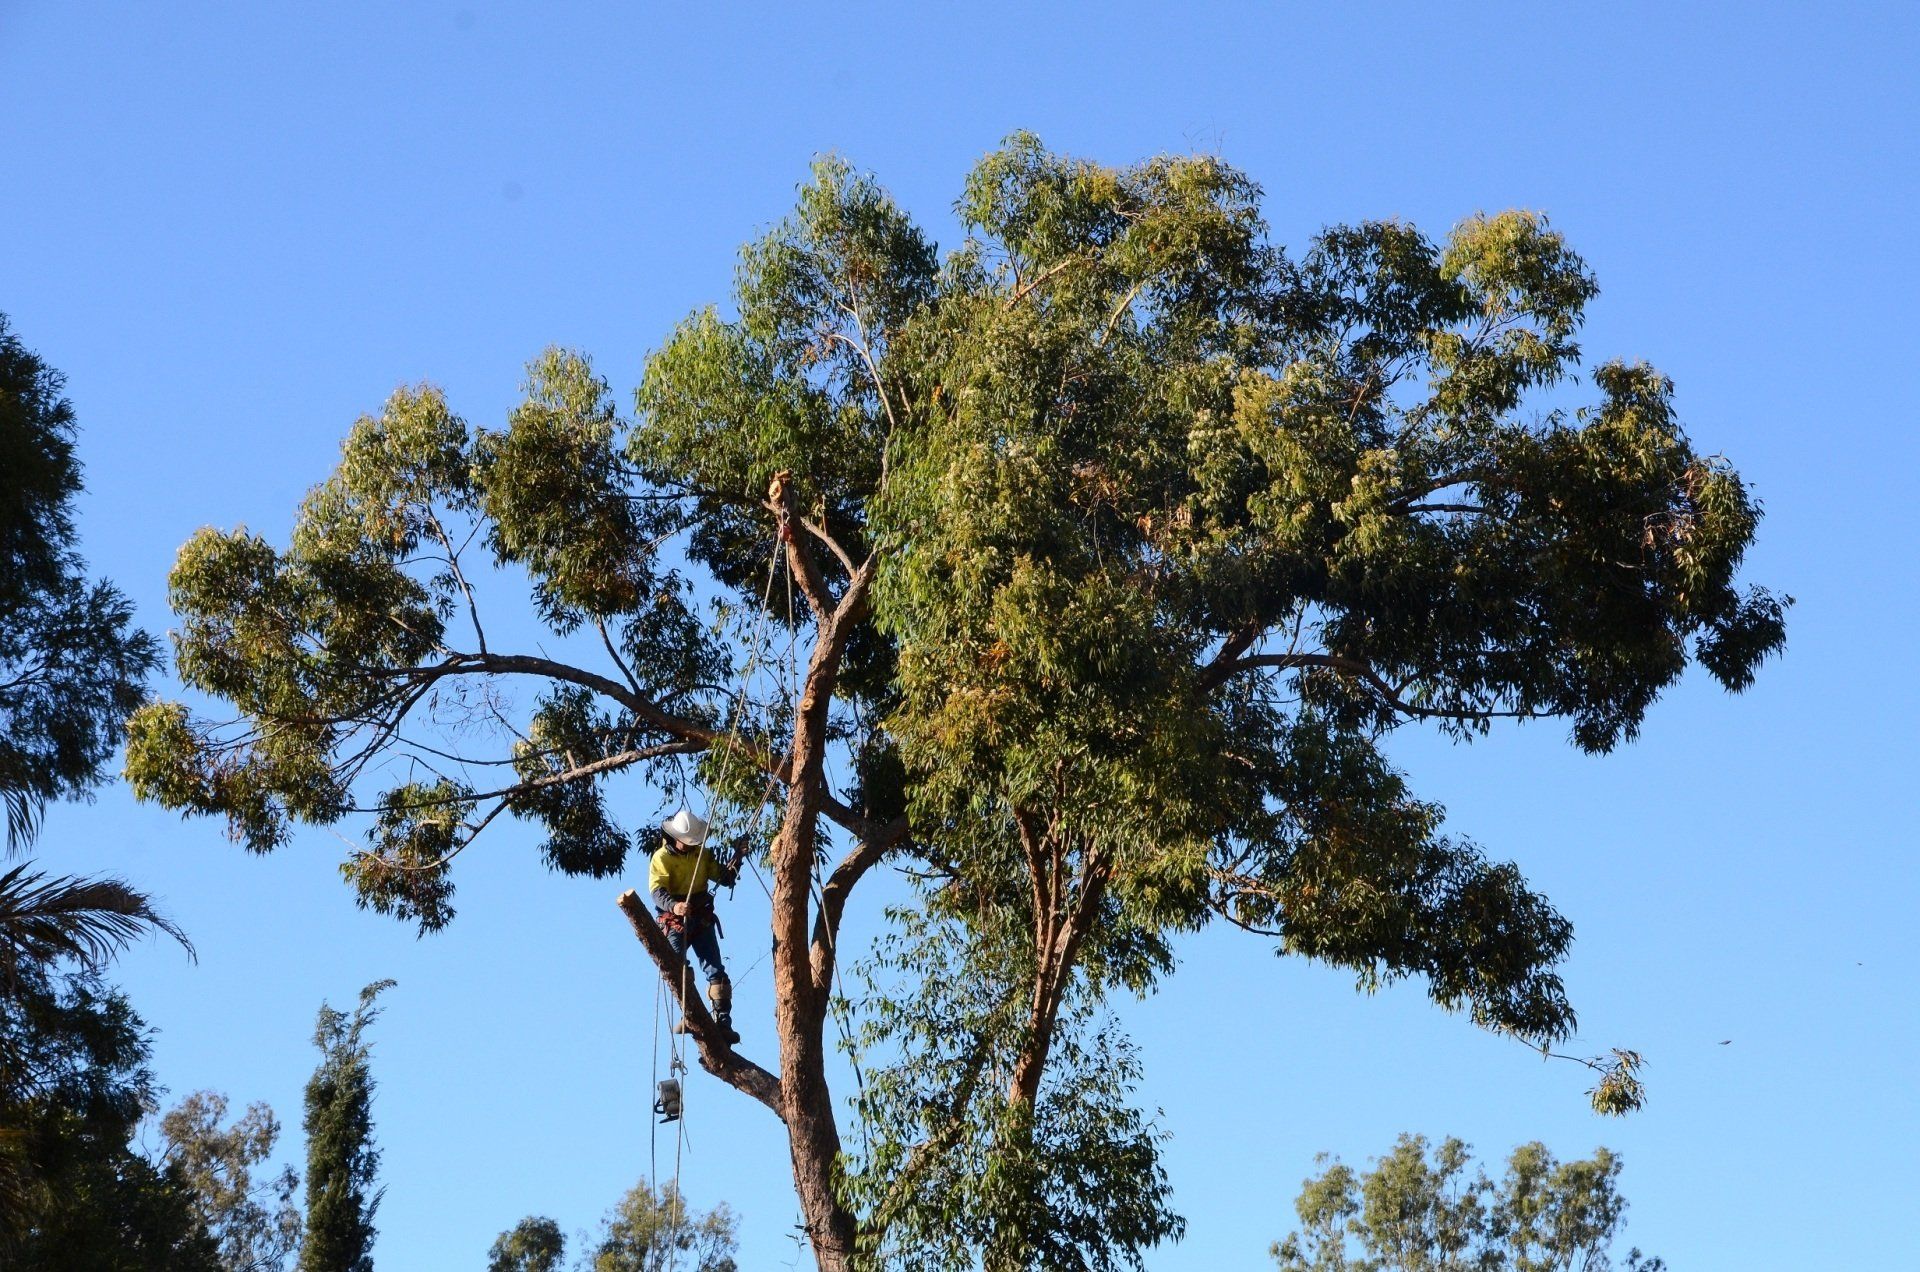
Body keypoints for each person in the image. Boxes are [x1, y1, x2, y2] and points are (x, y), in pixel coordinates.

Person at [649, 808, 739, 1044]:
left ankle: (723, 1021)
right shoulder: (661, 858)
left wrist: (737, 858)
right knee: (677, 967)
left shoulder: (702, 854)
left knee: (715, 970)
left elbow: (725, 878)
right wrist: (674, 906)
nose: (689, 846)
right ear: (675, 838)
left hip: (701, 917)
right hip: (675, 921)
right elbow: (657, 891)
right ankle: (690, 1013)